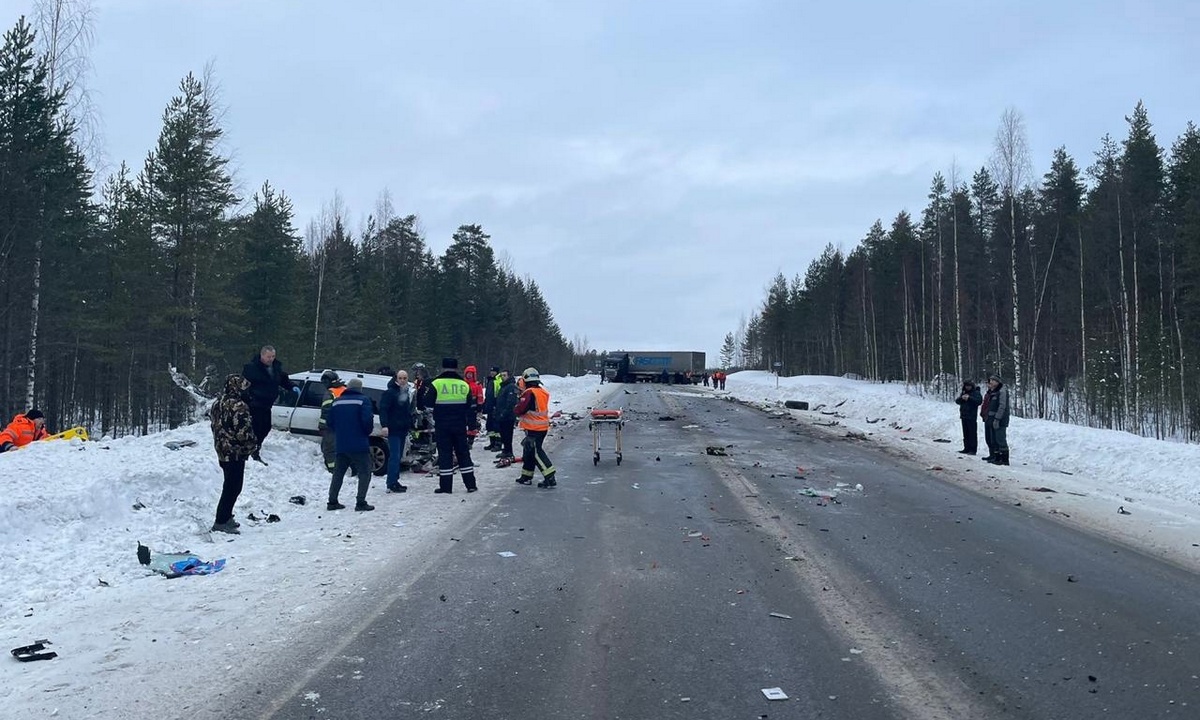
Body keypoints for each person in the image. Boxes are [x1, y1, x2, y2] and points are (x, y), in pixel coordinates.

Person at [209, 375, 258, 534]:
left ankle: (226, 516)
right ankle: (221, 520)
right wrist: (252, 446)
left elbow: (214, 426)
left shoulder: (217, 403)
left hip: (222, 449)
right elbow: (244, 432)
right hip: (235, 451)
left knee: (229, 484)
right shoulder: (239, 406)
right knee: (233, 487)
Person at [429, 357, 479, 494]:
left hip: (442, 425)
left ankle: (446, 487)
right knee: (463, 454)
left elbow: (427, 403)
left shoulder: (436, 383)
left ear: (442, 368)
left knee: (445, 455)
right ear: (457, 368)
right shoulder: (464, 385)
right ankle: (471, 484)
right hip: (459, 425)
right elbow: (470, 406)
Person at [327, 377, 376, 511]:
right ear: (360, 389)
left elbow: (329, 422)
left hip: (342, 443)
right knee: (365, 472)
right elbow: (367, 421)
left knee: (338, 473)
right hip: (359, 443)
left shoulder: (336, 402)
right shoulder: (363, 401)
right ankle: (360, 502)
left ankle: (332, 501)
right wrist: (366, 432)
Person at [241, 345, 296, 461]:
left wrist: (292, 387)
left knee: (266, 427)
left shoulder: (276, 368)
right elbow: (243, 384)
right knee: (256, 426)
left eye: (273, 356)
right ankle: (252, 449)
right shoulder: (252, 368)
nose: (271, 359)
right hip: (254, 403)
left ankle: (256, 446)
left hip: (267, 404)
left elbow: (283, 380)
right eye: (268, 357)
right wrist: (246, 397)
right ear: (262, 356)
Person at [514, 367, 557, 488]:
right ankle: (526, 476)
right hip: (540, 426)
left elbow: (520, 409)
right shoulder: (541, 391)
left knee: (536, 452)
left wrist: (516, 406)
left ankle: (550, 476)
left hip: (534, 428)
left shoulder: (529, 393)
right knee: (528, 451)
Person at [379, 368, 413, 493]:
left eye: (405, 378)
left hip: (402, 429)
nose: (403, 380)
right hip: (393, 429)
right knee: (394, 456)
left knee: (398, 457)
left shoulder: (405, 392)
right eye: (400, 378)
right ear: (396, 379)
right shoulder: (390, 393)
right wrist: (384, 425)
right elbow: (383, 409)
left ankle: (395, 480)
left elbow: (405, 411)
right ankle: (391, 482)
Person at [318, 370, 346, 473]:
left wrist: (322, 426)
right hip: (345, 425)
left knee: (329, 449)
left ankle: (332, 469)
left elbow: (326, 411)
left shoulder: (330, 393)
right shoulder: (345, 389)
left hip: (332, 426)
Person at [984, 374, 1011, 465]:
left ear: (997, 382)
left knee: (1000, 439)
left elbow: (1002, 406)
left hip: (1000, 419)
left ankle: (1004, 459)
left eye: (992, 380)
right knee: (994, 439)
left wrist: (997, 418)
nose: (990, 382)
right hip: (992, 418)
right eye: (990, 380)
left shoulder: (1002, 391)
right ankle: (997, 458)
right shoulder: (993, 391)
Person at [493, 370, 520, 464]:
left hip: (508, 416)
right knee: (503, 434)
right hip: (502, 415)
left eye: (504, 375)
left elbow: (511, 402)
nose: (502, 377)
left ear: (509, 376)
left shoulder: (511, 386)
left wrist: (504, 413)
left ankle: (509, 451)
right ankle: (506, 450)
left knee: (508, 435)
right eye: (501, 375)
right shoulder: (503, 386)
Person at [955, 379, 982, 455]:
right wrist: (962, 398)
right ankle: (966, 448)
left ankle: (973, 449)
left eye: (969, 386)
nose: (967, 387)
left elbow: (979, 401)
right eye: (966, 386)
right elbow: (957, 401)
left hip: (972, 416)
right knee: (965, 433)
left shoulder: (976, 392)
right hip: (964, 415)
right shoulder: (964, 392)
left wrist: (969, 398)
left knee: (972, 433)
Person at [464, 364, 486, 445]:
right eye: (468, 373)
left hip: (473, 408)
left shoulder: (477, 384)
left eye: (471, 373)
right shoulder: (463, 383)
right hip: (463, 407)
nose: (469, 375)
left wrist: (479, 407)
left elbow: (480, 396)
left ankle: (470, 441)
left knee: (471, 425)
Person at [483, 365, 501, 451]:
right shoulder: (490, 380)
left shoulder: (498, 381)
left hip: (496, 406)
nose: (492, 373)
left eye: (494, 371)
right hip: (490, 405)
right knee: (489, 426)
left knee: (496, 426)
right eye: (491, 371)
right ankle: (492, 442)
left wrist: (496, 405)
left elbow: (498, 394)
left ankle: (498, 443)